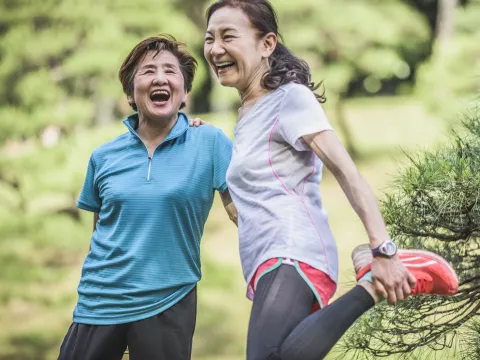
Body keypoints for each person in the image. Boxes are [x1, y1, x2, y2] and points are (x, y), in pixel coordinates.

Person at [201, 1, 459, 359]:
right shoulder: (247, 112)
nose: (215, 48)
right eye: (209, 38)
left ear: (267, 44)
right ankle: (371, 284)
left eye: (228, 36)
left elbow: (346, 171)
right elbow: (250, 199)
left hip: (292, 248)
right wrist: (196, 138)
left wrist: (382, 246)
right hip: (266, 259)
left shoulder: (290, 99)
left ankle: (374, 284)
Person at [58, 34, 236, 360]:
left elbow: (244, 211)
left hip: (168, 300)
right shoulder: (103, 156)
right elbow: (101, 231)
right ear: (130, 92)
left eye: (170, 70)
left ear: (184, 92)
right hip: (100, 300)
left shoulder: (209, 142)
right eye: (148, 70)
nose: (160, 77)